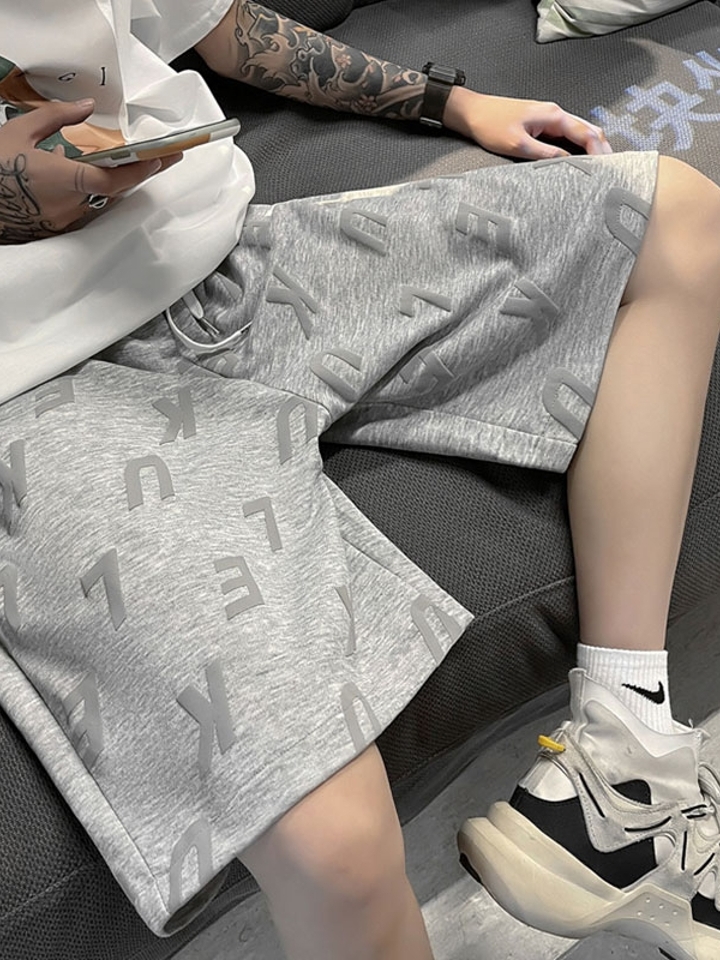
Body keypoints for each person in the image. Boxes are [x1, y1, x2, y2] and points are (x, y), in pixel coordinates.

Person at [1, 3, 719, 959]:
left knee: (673, 217)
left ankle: (625, 757)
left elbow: (213, 23)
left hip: (230, 267)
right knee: (333, 849)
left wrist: (447, 102)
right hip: (42, 387)